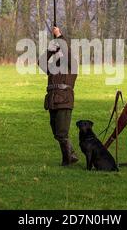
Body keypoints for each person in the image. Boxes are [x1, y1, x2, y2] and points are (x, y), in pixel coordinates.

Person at [39, 27, 79, 166]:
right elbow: (41, 62)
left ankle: (69, 159)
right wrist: (51, 49)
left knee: (62, 132)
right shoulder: (53, 68)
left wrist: (59, 37)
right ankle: (69, 156)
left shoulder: (72, 66)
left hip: (64, 100)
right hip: (52, 101)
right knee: (57, 133)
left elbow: (67, 52)